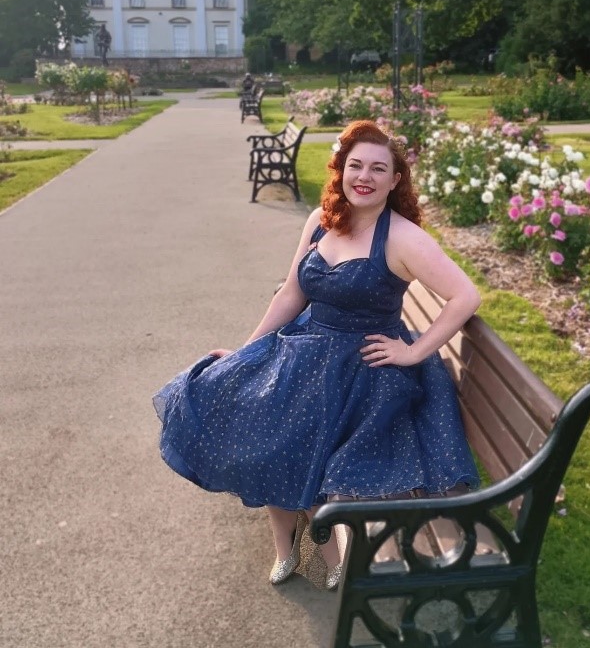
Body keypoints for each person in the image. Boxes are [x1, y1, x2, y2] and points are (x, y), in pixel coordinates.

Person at [153, 120, 481, 591]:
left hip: (362, 370)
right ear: (342, 170)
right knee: (254, 413)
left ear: (395, 180)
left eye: (378, 169)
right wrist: (245, 353)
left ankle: (326, 548)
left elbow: (465, 296)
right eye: (355, 166)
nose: (364, 177)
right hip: (307, 351)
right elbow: (291, 295)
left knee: (295, 434)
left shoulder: (403, 238)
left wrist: (413, 352)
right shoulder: (322, 220)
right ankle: (286, 547)